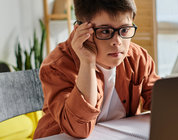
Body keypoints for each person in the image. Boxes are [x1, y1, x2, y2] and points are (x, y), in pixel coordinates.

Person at [33, 0, 160, 138]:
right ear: (80, 31)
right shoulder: (57, 66)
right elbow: (79, 129)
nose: (117, 41)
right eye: (105, 31)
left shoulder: (138, 57)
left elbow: (162, 102)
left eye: (124, 30)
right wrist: (87, 63)